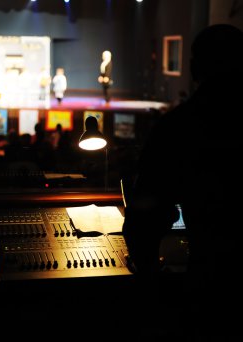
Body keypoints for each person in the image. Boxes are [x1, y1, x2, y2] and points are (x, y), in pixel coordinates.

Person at [121, 24, 243, 339]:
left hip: (210, 290)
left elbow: (144, 218)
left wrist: (150, 280)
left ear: (193, 68)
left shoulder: (178, 127)